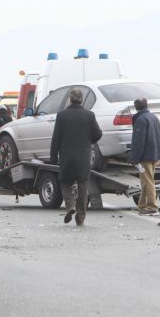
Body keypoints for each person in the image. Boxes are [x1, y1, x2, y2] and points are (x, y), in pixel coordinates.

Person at [49, 89, 102, 226]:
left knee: (65, 182)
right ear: (82, 99)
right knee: (83, 184)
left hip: (67, 156)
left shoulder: (62, 116)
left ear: (70, 100)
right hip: (84, 156)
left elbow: (56, 138)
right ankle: (80, 216)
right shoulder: (89, 115)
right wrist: (88, 140)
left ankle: (70, 206)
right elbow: (98, 134)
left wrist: (53, 157)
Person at [129, 98, 160, 216]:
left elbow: (139, 141)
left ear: (136, 107)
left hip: (145, 157)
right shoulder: (154, 118)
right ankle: (142, 206)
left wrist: (134, 158)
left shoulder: (140, 120)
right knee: (145, 181)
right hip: (154, 154)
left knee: (148, 181)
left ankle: (152, 207)